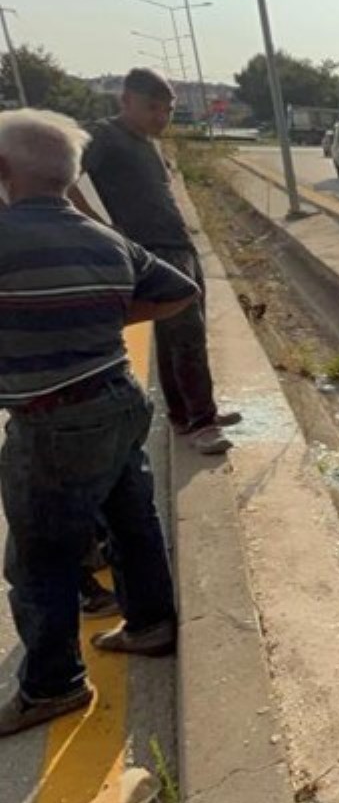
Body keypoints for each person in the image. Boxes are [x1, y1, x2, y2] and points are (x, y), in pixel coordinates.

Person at [0, 109, 198, 736]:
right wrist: (106, 316)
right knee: (132, 521)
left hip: (52, 418)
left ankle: (53, 686)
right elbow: (179, 291)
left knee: (40, 559)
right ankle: (151, 622)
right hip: (119, 398)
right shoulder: (105, 238)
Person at [67, 67, 238, 455]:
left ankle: (186, 413)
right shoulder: (104, 136)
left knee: (178, 334)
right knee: (186, 336)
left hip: (179, 245)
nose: (161, 117)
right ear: (125, 101)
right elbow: (65, 179)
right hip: (153, 250)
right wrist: (101, 229)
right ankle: (203, 423)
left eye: (167, 110)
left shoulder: (147, 142)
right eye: (152, 108)